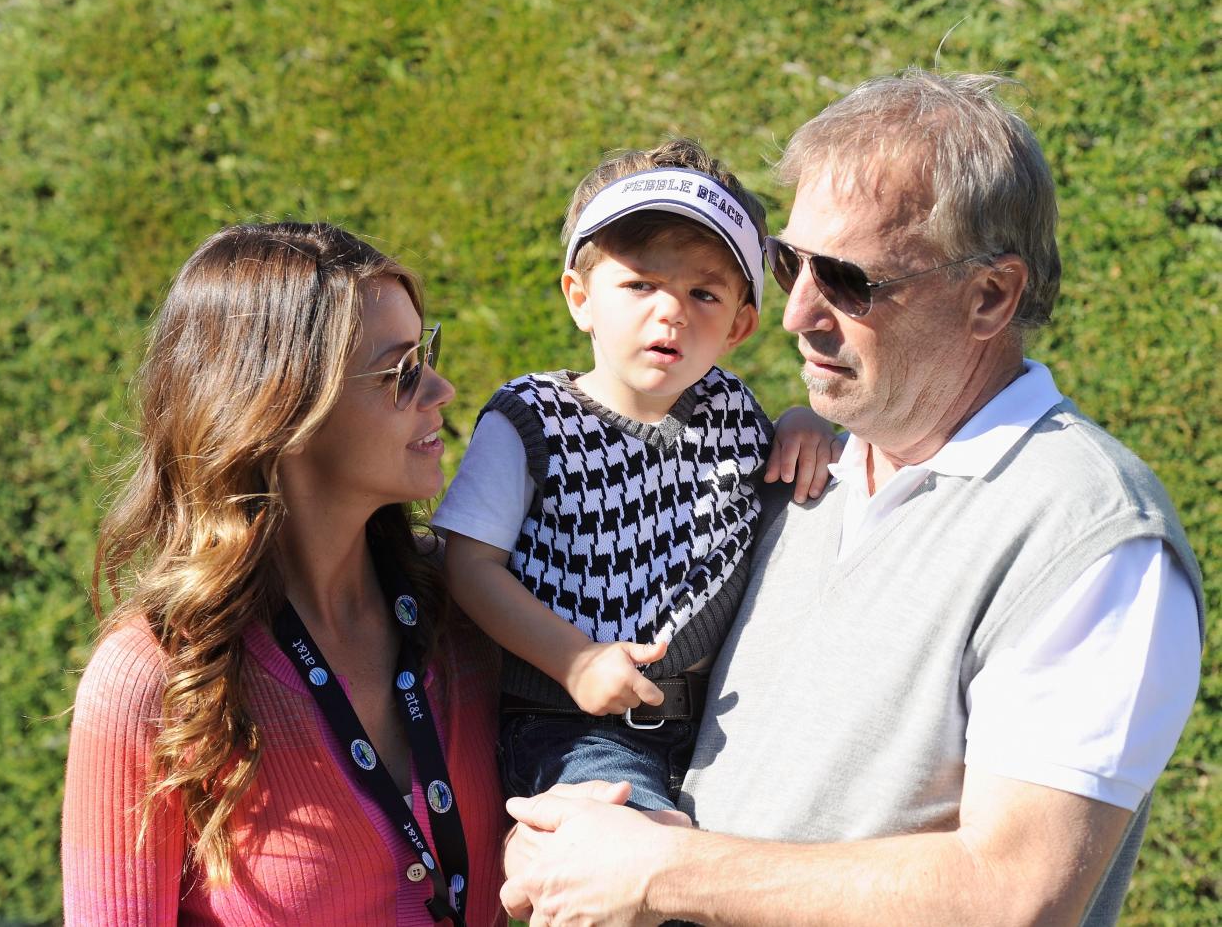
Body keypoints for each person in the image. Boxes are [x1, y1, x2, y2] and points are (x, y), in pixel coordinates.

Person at [501, 70, 1204, 926]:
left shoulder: (1092, 540)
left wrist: (660, 869)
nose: (796, 312)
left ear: (991, 296)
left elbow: (1016, 894)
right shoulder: (799, 473)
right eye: (791, 263)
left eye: (847, 279)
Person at [62, 223, 506, 925]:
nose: (442, 389)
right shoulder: (154, 681)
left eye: (428, 354)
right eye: (400, 371)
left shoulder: (472, 607)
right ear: (281, 411)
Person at [433, 139, 835, 812]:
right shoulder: (532, 421)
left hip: (715, 722)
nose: (671, 311)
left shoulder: (730, 413)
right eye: (640, 284)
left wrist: (804, 422)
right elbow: (469, 565)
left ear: (739, 326)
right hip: (569, 723)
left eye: (703, 293)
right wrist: (574, 659)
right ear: (581, 297)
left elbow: (771, 486)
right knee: (633, 847)